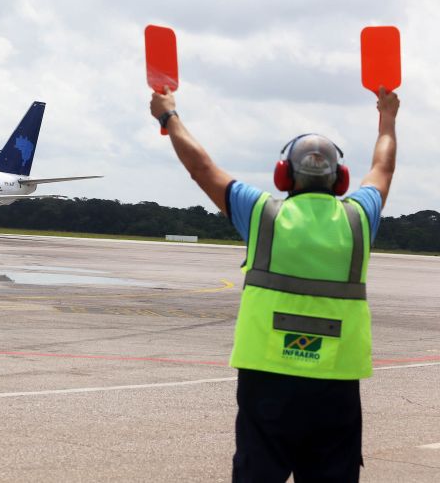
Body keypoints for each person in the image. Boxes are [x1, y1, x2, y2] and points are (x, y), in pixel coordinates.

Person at [150, 85, 399, 482]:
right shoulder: (359, 218)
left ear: (283, 175)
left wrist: (168, 116)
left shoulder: (262, 213)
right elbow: (383, 168)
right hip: (335, 382)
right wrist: (387, 117)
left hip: (266, 380)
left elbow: (201, 167)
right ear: (341, 179)